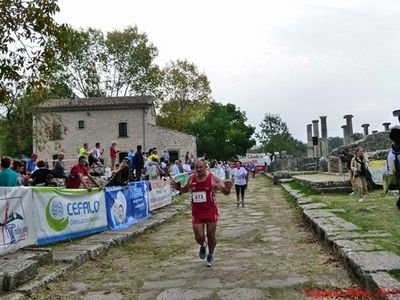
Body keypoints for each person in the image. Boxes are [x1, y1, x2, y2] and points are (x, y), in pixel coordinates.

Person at [171, 158, 233, 267]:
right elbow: (185, 189)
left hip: (210, 210)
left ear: (205, 167)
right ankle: (203, 244)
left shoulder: (213, 178)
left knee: (211, 234)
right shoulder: (191, 178)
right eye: (196, 167)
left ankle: (210, 255)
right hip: (197, 211)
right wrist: (178, 187)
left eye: (200, 167)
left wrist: (227, 189)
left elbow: (225, 192)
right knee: (199, 236)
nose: (198, 170)